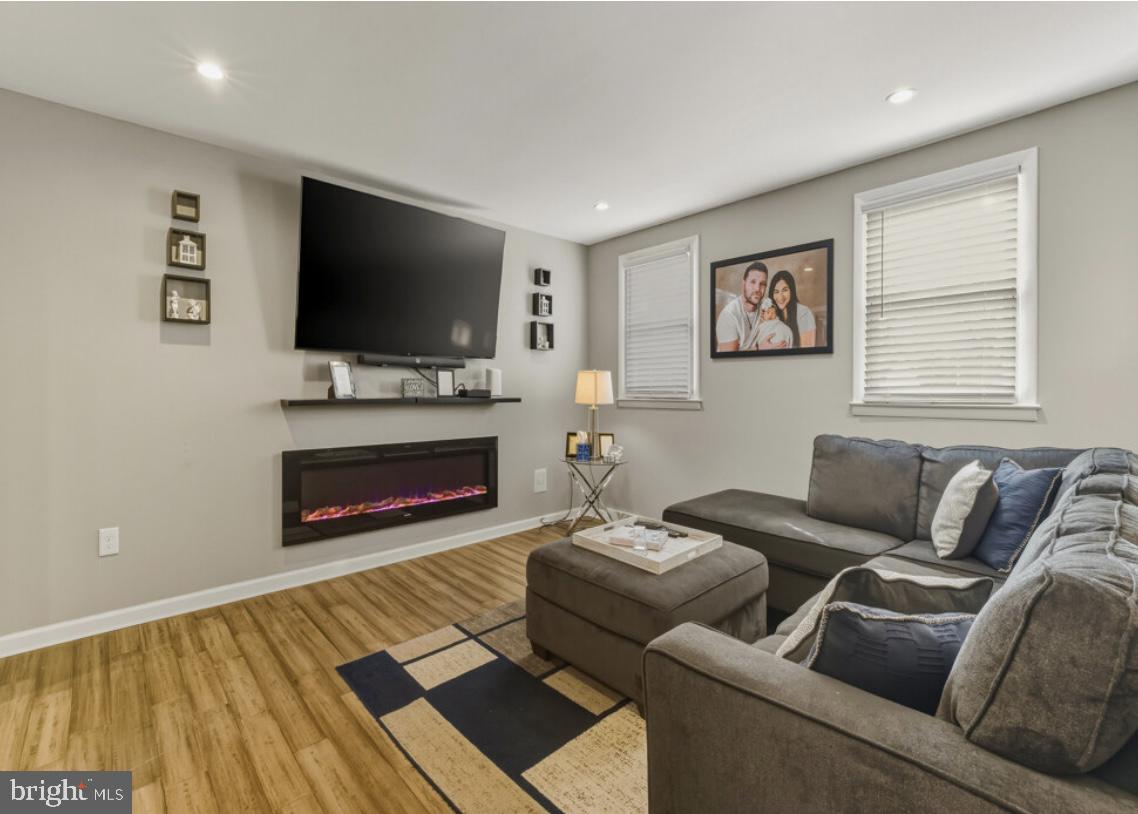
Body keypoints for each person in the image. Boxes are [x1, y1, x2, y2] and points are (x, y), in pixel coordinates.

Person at [717, 262, 776, 352]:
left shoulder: (765, 307)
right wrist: (759, 348)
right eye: (753, 282)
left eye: (762, 284)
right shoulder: (729, 315)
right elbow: (729, 360)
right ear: (743, 284)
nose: (757, 288)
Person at [768, 269, 816, 348]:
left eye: (785, 290)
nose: (780, 297)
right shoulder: (771, 314)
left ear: (792, 290)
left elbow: (807, 351)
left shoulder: (804, 313)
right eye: (776, 292)